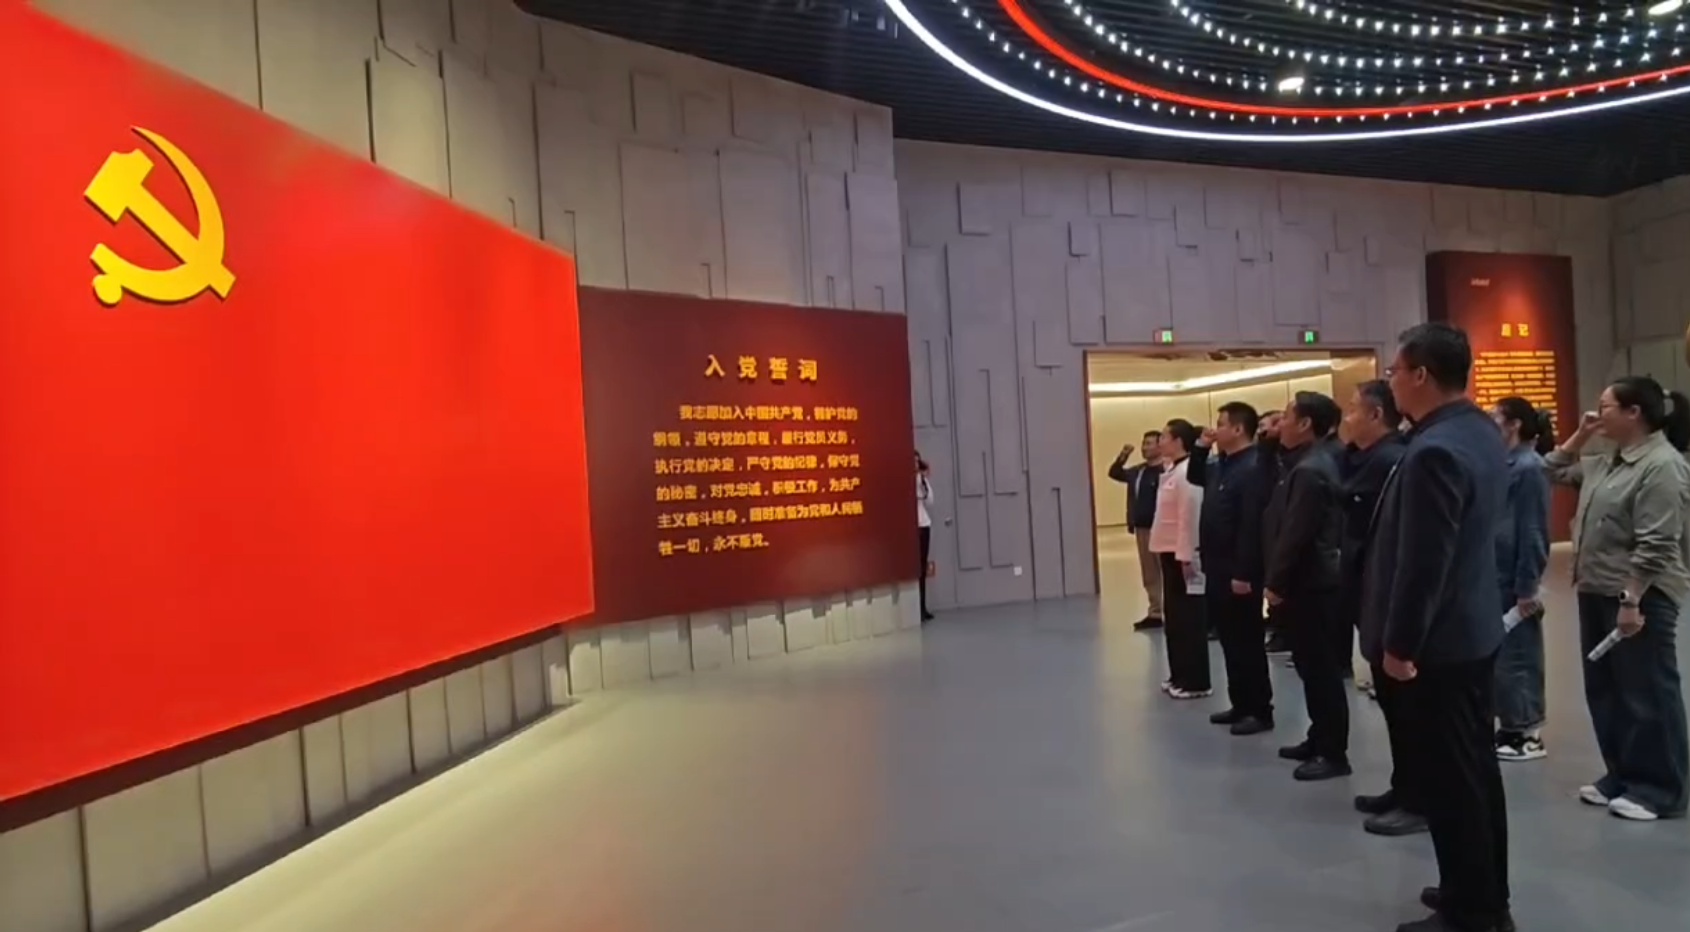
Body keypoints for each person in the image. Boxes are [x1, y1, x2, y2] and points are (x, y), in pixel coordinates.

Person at [1362, 323, 1510, 932]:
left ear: (1420, 374)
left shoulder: (1434, 451)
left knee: (1453, 782)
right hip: (1472, 629)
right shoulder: (1478, 431)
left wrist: (1400, 645)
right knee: (1474, 771)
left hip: (1439, 645)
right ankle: (1475, 890)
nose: (1391, 382)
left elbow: (1425, 563)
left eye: (1395, 371)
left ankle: (1473, 912)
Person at [1545, 375, 1690, 822]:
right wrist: (1581, 434)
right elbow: (1547, 471)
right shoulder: (1606, 461)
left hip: (1639, 594)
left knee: (1646, 692)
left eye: (1605, 407)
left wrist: (1632, 600)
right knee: (1606, 689)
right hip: (1596, 587)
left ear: (1634, 413)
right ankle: (1622, 773)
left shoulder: (1661, 465)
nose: (1596, 413)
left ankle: (1661, 788)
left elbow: (1657, 542)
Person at [1339, 381, 1424, 837]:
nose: (1346, 417)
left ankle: (1419, 797)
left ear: (1376, 415)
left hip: (1388, 592)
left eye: (1353, 409)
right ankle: (1404, 785)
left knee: (1408, 706)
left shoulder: (1393, 460)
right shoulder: (1361, 457)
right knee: (1391, 703)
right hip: (1365, 590)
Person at [1264, 392, 1349, 781]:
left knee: (1321, 669)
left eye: (1286, 417)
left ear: (1305, 424)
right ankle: (1319, 736)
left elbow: (1297, 531)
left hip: (1312, 583)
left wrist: (1275, 581)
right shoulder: (1307, 462)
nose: (1279, 425)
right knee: (1310, 666)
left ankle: (1332, 751)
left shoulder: (1312, 469)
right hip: (1311, 580)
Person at [1188, 402, 1273, 734]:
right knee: (1229, 640)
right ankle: (1241, 703)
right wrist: (1200, 447)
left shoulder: (1253, 467)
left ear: (1238, 429)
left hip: (1239, 570)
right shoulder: (1221, 464)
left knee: (1248, 642)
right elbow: (1195, 475)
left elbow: (1251, 525)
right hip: (1217, 565)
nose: (1216, 429)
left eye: (1221, 424)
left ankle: (1259, 710)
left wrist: (1244, 572)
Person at [1489, 397, 1553, 763]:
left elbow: (1533, 530)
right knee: (1503, 655)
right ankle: (1511, 723)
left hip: (1514, 576)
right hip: (1497, 572)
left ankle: (1527, 730)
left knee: (1519, 656)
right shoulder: (1506, 463)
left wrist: (1528, 585)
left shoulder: (1529, 467)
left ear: (1513, 424)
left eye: (1495, 417)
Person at [1148, 419, 1208, 699]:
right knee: (1174, 619)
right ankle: (1179, 673)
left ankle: (1195, 680)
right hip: (1168, 550)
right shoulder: (1172, 469)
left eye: (1163, 437)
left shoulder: (1188, 472)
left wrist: (1187, 556)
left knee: (1188, 619)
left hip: (1182, 554)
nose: (1159, 442)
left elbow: (1190, 517)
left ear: (1178, 441)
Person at [1107, 431, 1167, 631]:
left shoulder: (1167, 470)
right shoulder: (1139, 472)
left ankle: (1175, 612)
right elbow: (1115, 473)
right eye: (1144, 443)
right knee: (1150, 574)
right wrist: (1123, 455)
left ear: (1160, 446)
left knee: (1168, 571)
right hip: (1142, 529)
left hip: (1163, 528)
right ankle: (1155, 612)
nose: (1144, 447)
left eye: (1149, 443)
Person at [1257, 410, 1292, 657]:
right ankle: (1276, 621)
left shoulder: (1288, 456)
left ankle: (1285, 631)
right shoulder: (1267, 454)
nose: (1263, 431)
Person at [916, 452, 936, 623]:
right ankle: (914, 609)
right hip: (911, 527)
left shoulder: (922, 480)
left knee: (922, 568)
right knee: (914, 569)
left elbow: (930, 501)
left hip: (923, 524)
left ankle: (923, 608)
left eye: (917, 461)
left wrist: (923, 480)